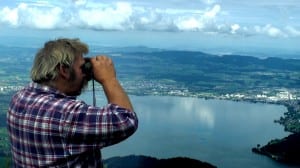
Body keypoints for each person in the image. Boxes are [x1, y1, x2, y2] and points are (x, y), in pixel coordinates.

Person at [7, 38, 138, 167]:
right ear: (64, 70)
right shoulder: (65, 114)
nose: (86, 74)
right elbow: (126, 120)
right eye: (83, 67)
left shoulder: (19, 98)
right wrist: (109, 79)